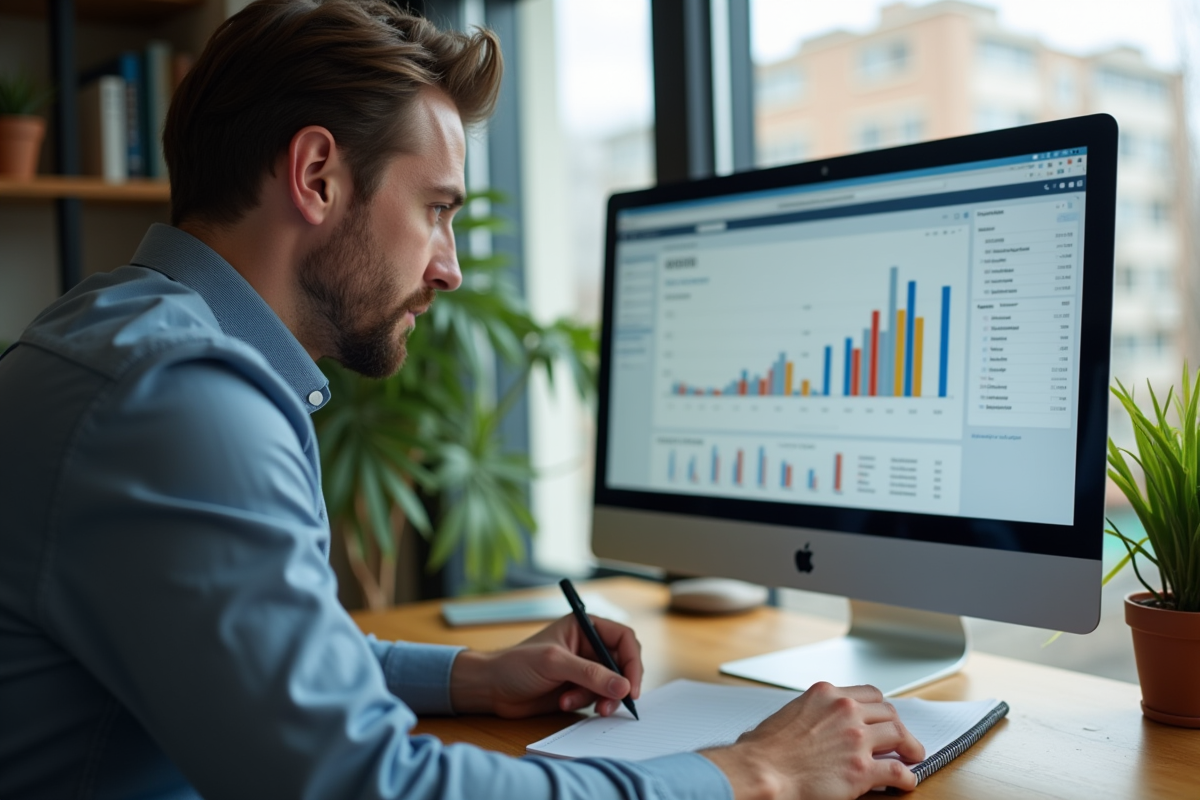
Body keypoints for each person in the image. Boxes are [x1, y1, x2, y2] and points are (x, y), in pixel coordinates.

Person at [0, 1, 923, 798]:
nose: (449, 268)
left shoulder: (116, 331)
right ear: (316, 176)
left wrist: (476, 678)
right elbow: (362, 785)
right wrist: (753, 772)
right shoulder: (182, 400)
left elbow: (246, 660)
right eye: (438, 209)